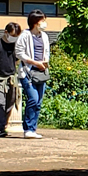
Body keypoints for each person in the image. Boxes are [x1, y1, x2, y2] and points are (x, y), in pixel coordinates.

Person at [15, 11, 52, 139]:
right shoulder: (25, 35)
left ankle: (33, 128)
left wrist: (45, 63)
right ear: (35, 22)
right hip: (27, 72)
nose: (44, 23)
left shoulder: (45, 36)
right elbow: (19, 53)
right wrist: (35, 62)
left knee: (39, 102)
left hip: (41, 73)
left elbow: (46, 52)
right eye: (42, 21)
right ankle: (28, 129)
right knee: (33, 99)